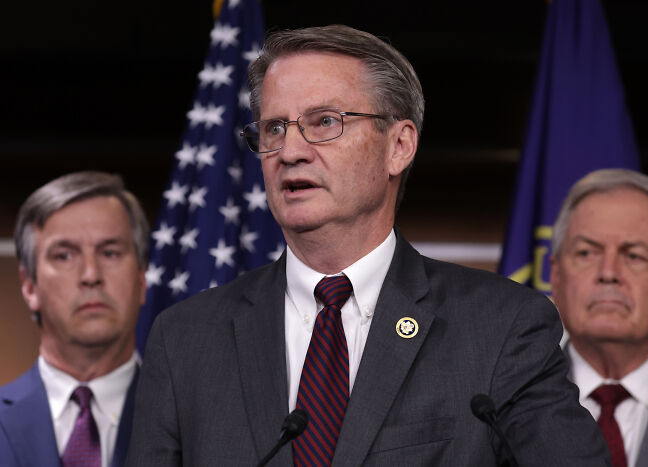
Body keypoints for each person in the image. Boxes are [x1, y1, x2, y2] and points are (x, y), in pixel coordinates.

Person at [127, 25, 608, 466]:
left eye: (324, 122)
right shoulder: (184, 341)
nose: (290, 151)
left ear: (399, 145)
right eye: (274, 128)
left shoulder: (501, 327)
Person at [550, 168, 648, 467]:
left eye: (634, 256)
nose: (608, 273)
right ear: (556, 277)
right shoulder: (503, 406)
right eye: (586, 253)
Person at [0, 171, 149, 467]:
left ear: (141, 278)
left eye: (110, 252)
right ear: (29, 286)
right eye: (64, 256)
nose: (91, 275)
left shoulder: (192, 419)